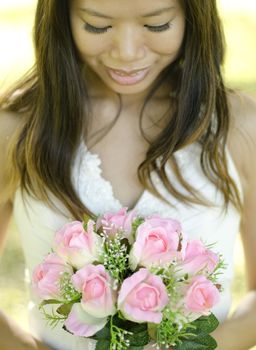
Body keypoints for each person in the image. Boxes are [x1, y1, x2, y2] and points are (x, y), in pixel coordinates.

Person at [0, 0, 256, 349]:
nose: (127, 52)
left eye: (157, 25)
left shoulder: (238, 127)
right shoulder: (16, 130)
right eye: (97, 26)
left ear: (192, 16)